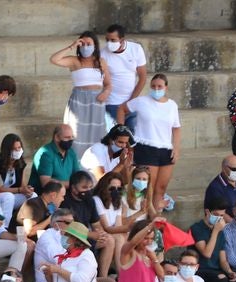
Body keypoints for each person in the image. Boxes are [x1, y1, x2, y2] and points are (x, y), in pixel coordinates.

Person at [116, 73, 180, 211]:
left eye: (159, 86)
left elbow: (176, 127)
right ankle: (144, 219)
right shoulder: (142, 101)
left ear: (165, 87)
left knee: (161, 188)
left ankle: (155, 221)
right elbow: (122, 109)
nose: (156, 89)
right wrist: (122, 131)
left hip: (165, 148)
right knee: (148, 188)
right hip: (146, 147)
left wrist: (176, 147)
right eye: (153, 86)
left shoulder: (172, 105)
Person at [50, 33, 110, 158]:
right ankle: (76, 171)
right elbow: (54, 59)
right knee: (76, 134)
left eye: (89, 44)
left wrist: (106, 92)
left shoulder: (101, 62)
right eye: (83, 44)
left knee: (96, 136)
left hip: (97, 102)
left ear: (95, 46)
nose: (86, 47)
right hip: (79, 100)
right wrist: (71, 46)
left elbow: (108, 84)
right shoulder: (74, 61)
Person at [101, 25, 147, 130]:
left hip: (131, 103)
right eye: (107, 40)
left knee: (133, 139)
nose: (109, 43)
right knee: (117, 139)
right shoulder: (103, 54)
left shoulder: (136, 49)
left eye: (113, 40)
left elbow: (143, 77)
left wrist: (131, 101)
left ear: (122, 40)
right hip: (112, 103)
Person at [30, 125, 82, 189]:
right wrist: (73, 185)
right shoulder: (46, 153)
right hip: (45, 195)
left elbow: (78, 176)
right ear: (57, 137)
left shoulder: (71, 152)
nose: (70, 140)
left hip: (65, 193)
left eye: (72, 137)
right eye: (67, 137)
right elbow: (46, 183)